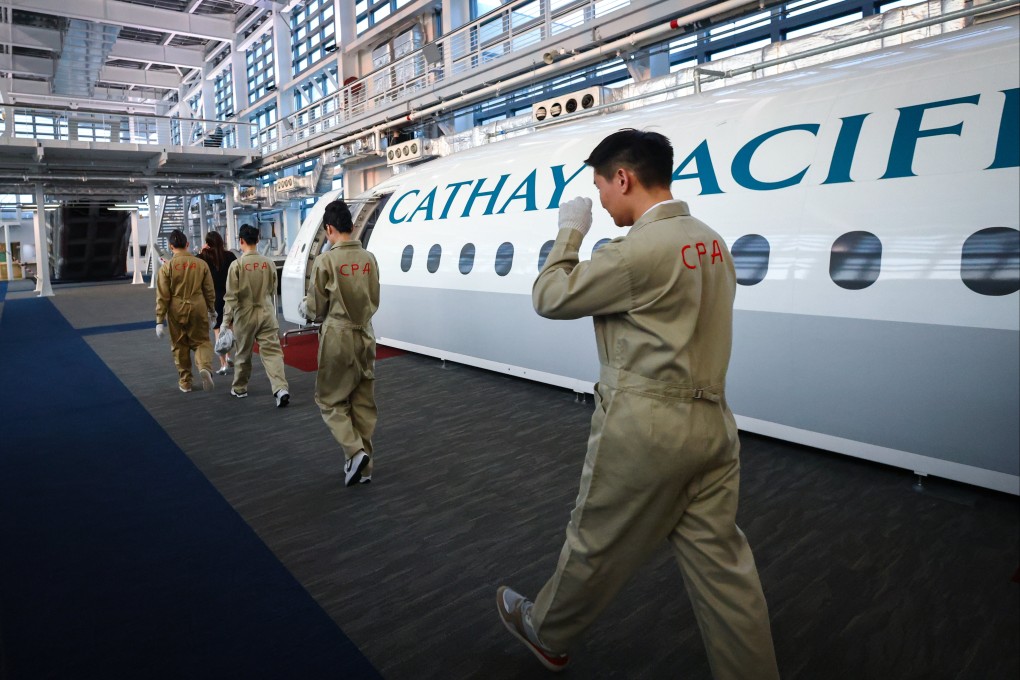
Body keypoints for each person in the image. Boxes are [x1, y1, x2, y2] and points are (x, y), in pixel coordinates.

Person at [496, 129, 779, 679]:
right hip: (714, 425)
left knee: (593, 543)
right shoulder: (712, 241)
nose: (600, 200)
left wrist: (570, 233)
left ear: (622, 178)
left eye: (600, 187)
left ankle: (548, 633)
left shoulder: (634, 253)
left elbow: (549, 297)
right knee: (724, 569)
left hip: (646, 427)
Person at [298, 199, 379, 486]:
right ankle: (364, 469)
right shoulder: (369, 259)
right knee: (362, 401)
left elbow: (316, 309)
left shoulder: (326, 261)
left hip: (337, 336)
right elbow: (374, 300)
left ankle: (354, 451)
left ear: (329, 229)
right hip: (366, 334)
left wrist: (303, 308)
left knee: (330, 400)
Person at [222, 224, 290, 407]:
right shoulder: (268, 263)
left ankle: (240, 388)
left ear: (241, 241)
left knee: (243, 353)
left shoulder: (237, 265)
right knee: (273, 353)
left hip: (245, 316)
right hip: (267, 312)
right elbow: (272, 289)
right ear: (258, 240)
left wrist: (225, 323)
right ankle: (280, 388)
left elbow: (231, 298)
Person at [155, 229, 216, 394]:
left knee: (179, 345)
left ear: (170, 246)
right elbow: (209, 291)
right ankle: (204, 367)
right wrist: (212, 310)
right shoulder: (201, 264)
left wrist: (159, 320)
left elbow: (163, 295)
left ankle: (186, 382)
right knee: (202, 341)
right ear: (187, 244)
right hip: (198, 306)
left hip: (176, 309)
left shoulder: (167, 268)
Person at [198, 230, 237, 375]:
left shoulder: (203, 257)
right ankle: (228, 355)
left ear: (207, 244)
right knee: (229, 326)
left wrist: (202, 251)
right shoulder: (230, 256)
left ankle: (223, 364)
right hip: (229, 296)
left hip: (213, 298)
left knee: (217, 330)